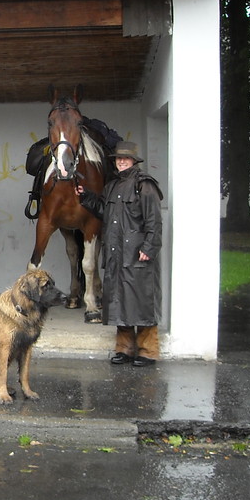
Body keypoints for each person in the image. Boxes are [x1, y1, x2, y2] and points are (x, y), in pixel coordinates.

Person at [77, 140, 163, 367]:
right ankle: (124, 349)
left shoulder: (145, 185)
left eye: (125, 158)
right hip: (116, 253)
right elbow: (105, 212)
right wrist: (86, 197)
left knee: (142, 301)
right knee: (120, 301)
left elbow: (154, 221)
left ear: (134, 161)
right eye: (118, 158)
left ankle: (147, 351)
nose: (121, 161)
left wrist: (149, 248)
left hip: (136, 253)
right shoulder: (112, 185)